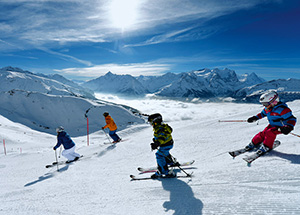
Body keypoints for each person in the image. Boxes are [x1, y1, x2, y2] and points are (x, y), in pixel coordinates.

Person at [148, 113, 177, 179]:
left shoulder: (160, 128)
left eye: (151, 122)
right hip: (168, 143)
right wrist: (156, 141)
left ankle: (164, 172)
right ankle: (170, 162)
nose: (151, 124)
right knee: (165, 152)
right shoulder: (161, 126)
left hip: (165, 144)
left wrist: (157, 143)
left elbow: (162, 137)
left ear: (155, 121)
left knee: (159, 155)